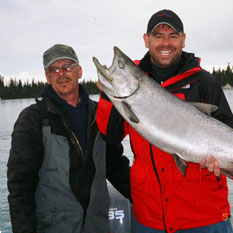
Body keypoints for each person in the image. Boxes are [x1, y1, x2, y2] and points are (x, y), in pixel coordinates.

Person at [96, 9, 233, 233]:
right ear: (146, 39)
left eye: (173, 36)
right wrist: (107, 95)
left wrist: (221, 163)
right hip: (151, 218)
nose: (165, 43)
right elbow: (109, 135)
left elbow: (228, 130)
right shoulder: (133, 91)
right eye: (158, 36)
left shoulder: (204, 82)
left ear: (183, 39)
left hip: (205, 216)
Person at [7, 44, 131, 233]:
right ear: (47, 77)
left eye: (68, 67)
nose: (62, 74)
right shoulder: (32, 119)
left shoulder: (100, 114)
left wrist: (149, 201)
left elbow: (116, 167)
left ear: (79, 71)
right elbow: (20, 186)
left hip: (97, 226)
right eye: (54, 69)